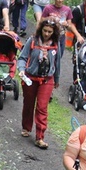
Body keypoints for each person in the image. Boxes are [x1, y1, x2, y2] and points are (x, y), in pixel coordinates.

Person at [18, 18, 61, 149]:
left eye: (49, 31)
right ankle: (26, 127)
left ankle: (40, 137)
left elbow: (57, 63)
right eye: (45, 30)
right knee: (29, 103)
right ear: (41, 29)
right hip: (31, 78)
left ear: (54, 32)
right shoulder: (32, 41)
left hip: (47, 80)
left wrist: (56, 80)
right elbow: (23, 57)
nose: (46, 34)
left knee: (42, 107)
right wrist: (21, 70)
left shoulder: (55, 44)